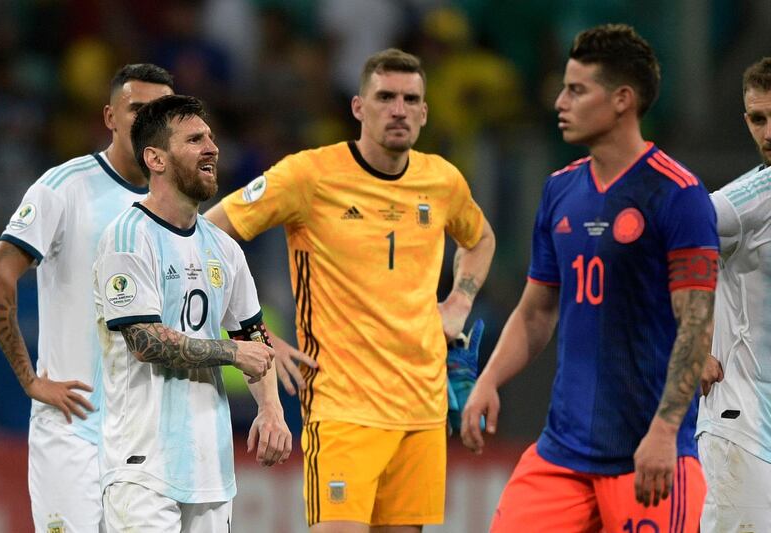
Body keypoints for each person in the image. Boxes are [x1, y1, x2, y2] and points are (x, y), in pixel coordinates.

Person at [205, 48, 495, 532]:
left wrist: (460, 300)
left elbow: (481, 238)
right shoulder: (309, 175)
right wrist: (256, 336)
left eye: (410, 99)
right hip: (343, 407)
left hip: (421, 410)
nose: (398, 109)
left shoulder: (441, 181)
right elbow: (207, 238)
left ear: (424, 111)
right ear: (359, 107)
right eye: (385, 97)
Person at [461, 24, 718, 532]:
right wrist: (488, 379)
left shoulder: (678, 194)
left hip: (647, 454)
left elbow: (695, 326)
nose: (559, 101)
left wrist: (665, 433)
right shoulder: (560, 189)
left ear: (622, 99)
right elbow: (536, 312)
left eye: (577, 90)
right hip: (561, 454)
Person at [0, 63, 174, 532]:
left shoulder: (175, 204)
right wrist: (29, 379)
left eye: (161, 110)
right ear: (110, 117)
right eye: (136, 109)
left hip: (145, 433)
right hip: (73, 425)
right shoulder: (66, 187)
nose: (149, 120)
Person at [94, 94, 291, 531]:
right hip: (142, 468)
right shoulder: (128, 237)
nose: (212, 148)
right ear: (156, 158)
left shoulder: (225, 249)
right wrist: (231, 352)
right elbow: (144, 340)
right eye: (195, 139)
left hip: (211, 472)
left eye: (212, 138)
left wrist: (271, 410)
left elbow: (254, 334)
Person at [696, 57, 771, 532]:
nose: (769, 133)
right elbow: (654, 244)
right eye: (759, 120)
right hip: (741, 427)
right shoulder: (742, 202)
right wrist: (691, 342)